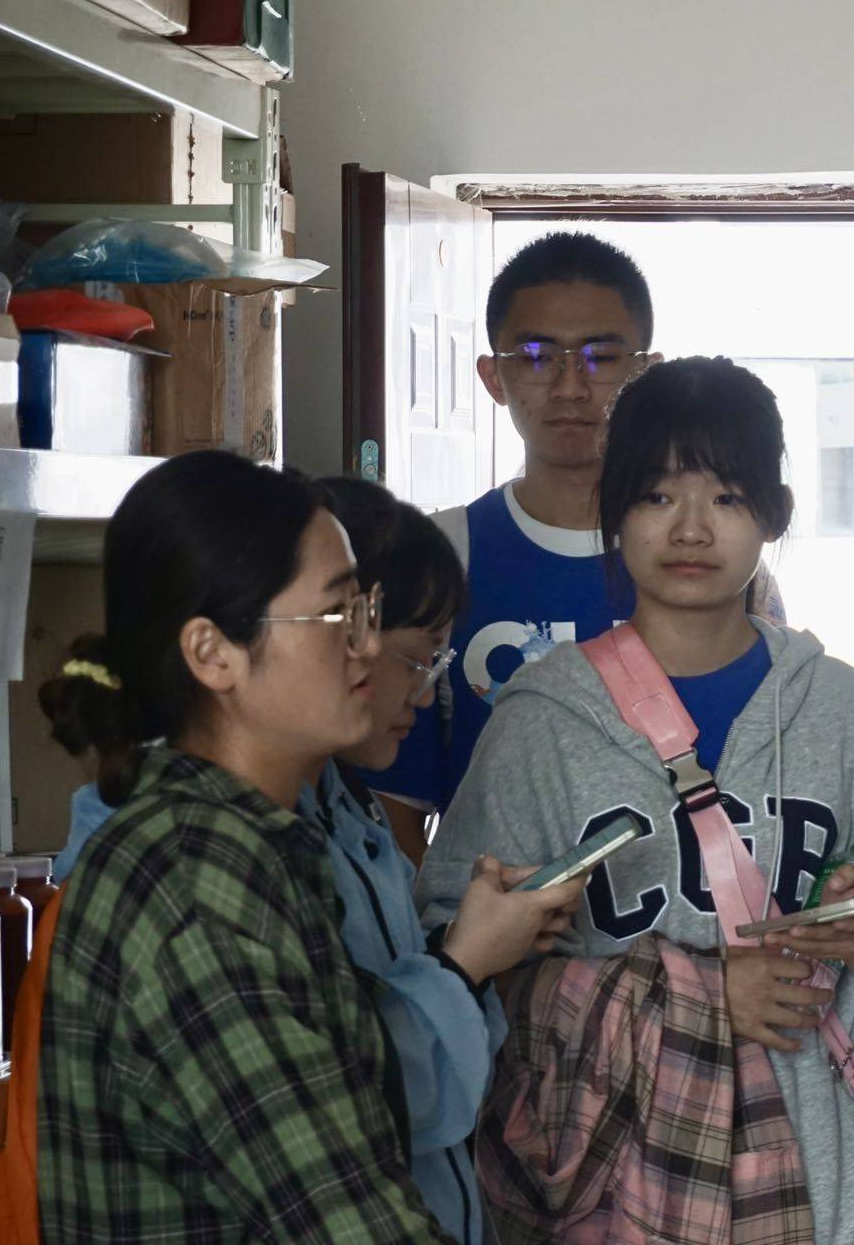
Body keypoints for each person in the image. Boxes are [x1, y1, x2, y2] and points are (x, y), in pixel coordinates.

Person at [419, 356, 854, 1245]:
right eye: (657, 495)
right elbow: (465, 974)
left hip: (818, 1190)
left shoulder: (840, 710)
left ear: (775, 515)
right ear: (614, 514)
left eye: (726, 496)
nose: (690, 528)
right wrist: (706, 998)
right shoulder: (542, 723)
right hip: (601, 1188)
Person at [38, 451, 447, 1241]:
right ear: (212, 654)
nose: (368, 646)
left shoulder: (249, 843)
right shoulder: (195, 887)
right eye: (337, 615)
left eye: (366, 609)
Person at [369, 232, 783, 851]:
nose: (570, 387)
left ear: (646, 372)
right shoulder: (444, 555)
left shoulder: (711, 559)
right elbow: (397, 806)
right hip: (503, 907)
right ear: (493, 376)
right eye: (536, 356)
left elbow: (773, 767)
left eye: (602, 356)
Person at [307, 477, 585, 1244]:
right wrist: (466, 963)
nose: (426, 697)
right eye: (416, 660)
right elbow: (356, 1108)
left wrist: (473, 946)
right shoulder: (230, 855)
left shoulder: (346, 808)